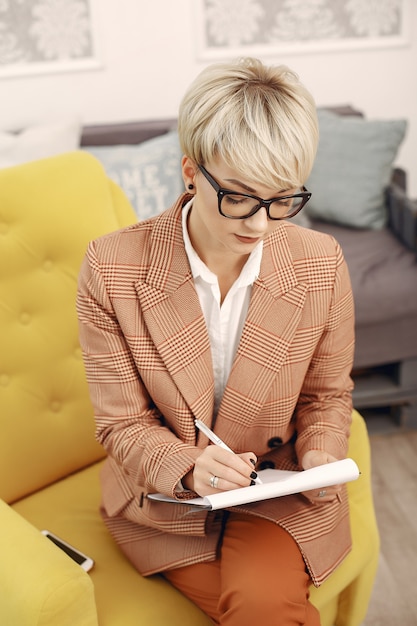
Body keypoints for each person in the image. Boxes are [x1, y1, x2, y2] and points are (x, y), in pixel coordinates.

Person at [77, 57, 354, 625]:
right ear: (189, 171)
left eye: (282, 199)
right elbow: (120, 424)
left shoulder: (320, 262)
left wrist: (321, 451)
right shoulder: (112, 267)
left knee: (258, 608)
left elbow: (327, 395)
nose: (259, 224)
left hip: (277, 485)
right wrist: (187, 467)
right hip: (166, 498)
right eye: (239, 196)